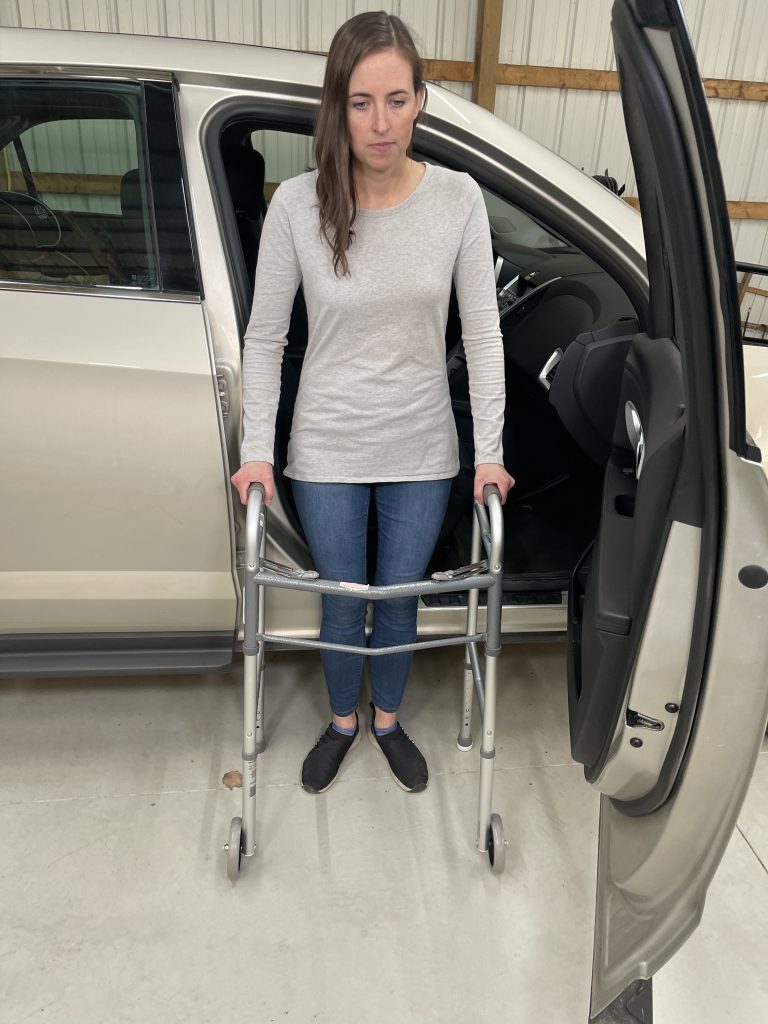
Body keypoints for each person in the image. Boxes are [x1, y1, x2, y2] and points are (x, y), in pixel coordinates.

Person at [231, 11, 514, 797]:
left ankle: (386, 718)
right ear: (337, 107)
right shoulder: (295, 205)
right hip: (325, 445)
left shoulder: (458, 200)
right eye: (361, 102)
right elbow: (263, 339)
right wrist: (259, 446)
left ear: (421, 99)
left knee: (398, 596)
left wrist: (488, 451)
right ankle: (342, 721)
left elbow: (485, 339)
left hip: (423, 445)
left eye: (396, 99)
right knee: (340, 596)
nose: (380, 123)